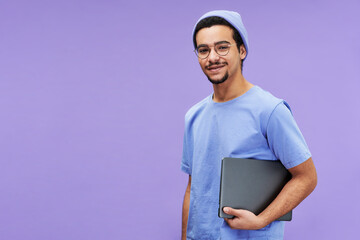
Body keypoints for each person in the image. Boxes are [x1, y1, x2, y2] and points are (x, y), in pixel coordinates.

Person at [181, 10, 317, 240]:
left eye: (222, 47)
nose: (212, 57)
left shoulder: (269, 110)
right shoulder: (194, 116)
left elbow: (307, 177)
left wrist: (262, 219)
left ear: (242, 51)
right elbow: (192, 187)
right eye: (203, 50)